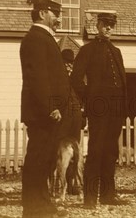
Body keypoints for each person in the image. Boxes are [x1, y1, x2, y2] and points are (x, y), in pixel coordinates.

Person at [71, 12, 129, 208]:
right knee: (96, 151)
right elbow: (76, 79)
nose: (109, 28)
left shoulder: (117, 51)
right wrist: (91, 97)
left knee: (111, 151)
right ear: (98, 25)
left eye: (112, 25)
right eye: (105, 25)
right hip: (98, 109)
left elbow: (122, 81)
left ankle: (107, 195)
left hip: (116, 109)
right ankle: (89, 199)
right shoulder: (87, 50)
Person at [19, 0, 69, 217]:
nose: (59, 18)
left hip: (49, 112)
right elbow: (38, 77)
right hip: (43, 113)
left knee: (46, 159)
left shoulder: (43, 38)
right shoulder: (35, 39)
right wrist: (51, 106)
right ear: (42, 14)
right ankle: (34, 209)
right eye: (55, 13)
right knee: (38, 159)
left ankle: (43, 205)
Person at [59, 48, 85, 195]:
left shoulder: (77, 79)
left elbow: (83, 99)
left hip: (75, 119)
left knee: (75, 153)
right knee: (63, 153)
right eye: (66, 63)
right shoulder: (57, 77)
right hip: (62, 121)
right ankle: (60, 185)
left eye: (70, 63)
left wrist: (83, 117)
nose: (68, 66)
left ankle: (73, 184)